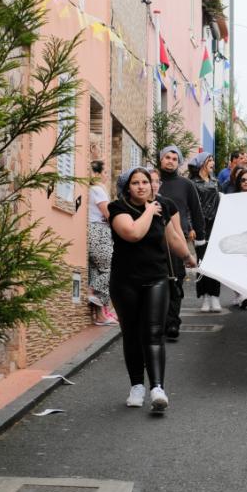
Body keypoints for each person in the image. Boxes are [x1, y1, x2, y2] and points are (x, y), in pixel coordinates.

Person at [109, 167, 197, 412]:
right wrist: (149, 209)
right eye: (135, 183)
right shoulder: (118, 209)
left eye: (145, 182)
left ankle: (157, 388)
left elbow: (173, 238)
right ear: (128, 188)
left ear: (151, 185)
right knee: (132, 334)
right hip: (125, 281)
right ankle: (137, 386)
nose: (141, 186)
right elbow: (133, 233)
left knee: (154, 333)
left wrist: (188, 257)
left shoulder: (163, 208)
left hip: (156, 278)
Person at [154, 146, 206, 340]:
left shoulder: (186, 184)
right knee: (156, 282)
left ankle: (173, 323)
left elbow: (196, 212)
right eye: (167, 157)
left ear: (179, 162)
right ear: (161, 159)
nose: (170, 161)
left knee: (175, 282)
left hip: (178, 240)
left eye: (174, 159)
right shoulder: (152, 182)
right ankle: (157, 322)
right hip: (153, 239)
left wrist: (200, 240)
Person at [188, 152, 223, 313]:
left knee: (215, 263)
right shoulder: (192, 183)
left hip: (215, 226)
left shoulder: (216, 182)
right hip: (199, 226)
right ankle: (205, 297)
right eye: (210, 160)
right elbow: (189, 207)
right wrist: (191, 227)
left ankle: (215, 296)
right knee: (202, 263)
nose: (213, 163)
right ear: (202, 163)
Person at [87, 161, 118, 326]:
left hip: (91, 232)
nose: (107, 175)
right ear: (97, 173)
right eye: (105, 172)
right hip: (99, 232)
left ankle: (100, 316)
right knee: (112, 266)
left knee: (96, 270)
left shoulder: (90, 190)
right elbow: (108, 214)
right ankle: (93, 292)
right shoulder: (98, 190)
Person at [230, 168, 247, 309]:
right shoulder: (232, 199)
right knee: (234, 267)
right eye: (243, 180)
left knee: (246, 268)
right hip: (236, 238)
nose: (246, 182)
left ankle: (242, 295)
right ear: (239, 182)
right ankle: (239, 295)